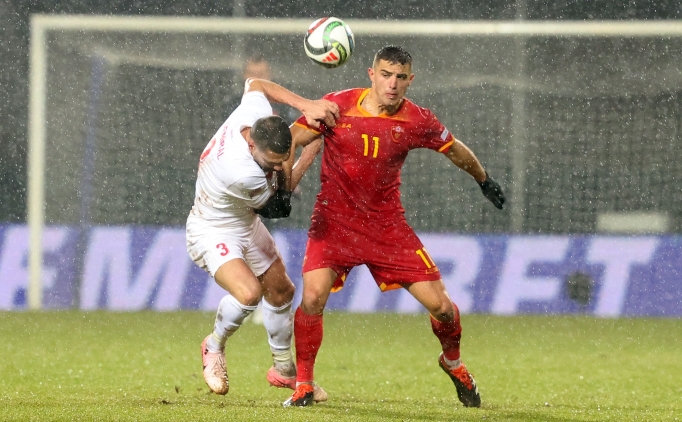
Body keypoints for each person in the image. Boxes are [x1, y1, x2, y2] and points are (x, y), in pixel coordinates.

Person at [282, 45, 506, 408]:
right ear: (372, 75)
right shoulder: (337, 106)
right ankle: (304, 384)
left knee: (442, 308)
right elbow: (290, 138)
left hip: (387, 228)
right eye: (386, 75)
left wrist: (483, 179)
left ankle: (453, 363)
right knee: (312, 298)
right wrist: (280, 184)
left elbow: (453, 148)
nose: (393, 84)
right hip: (334, 224)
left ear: (410, 80)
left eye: (401, 77)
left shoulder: (417, 120)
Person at [185, 76, 338, 400]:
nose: (277, 165)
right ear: (253, 146)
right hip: (212, 229)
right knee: (249, 293)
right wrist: (309, 150)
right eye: (273, 162)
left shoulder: (253, 117)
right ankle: (213, 346)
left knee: (282, 291)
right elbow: (280, 205)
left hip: (244, 221)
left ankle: (283, 370)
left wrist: (306, 105)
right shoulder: (242, 173)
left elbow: (256, 83)